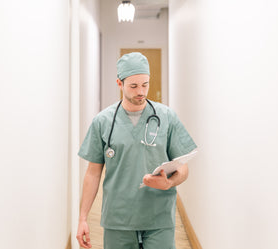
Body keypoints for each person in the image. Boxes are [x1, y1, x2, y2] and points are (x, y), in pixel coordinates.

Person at [76, 52, 197, 249]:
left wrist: (170, 182)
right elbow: (93, 172)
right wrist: (82, 218)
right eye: (133, 86)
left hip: (159, 217)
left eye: (145, 84)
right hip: (119, 219)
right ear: (119, 84)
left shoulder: (166, 117)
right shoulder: (103, 122)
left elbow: (183, 167)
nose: (141, 91)